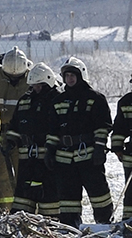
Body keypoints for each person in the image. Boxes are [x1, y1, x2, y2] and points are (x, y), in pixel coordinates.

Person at [50, 56, 113, 227]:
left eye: (73, 75)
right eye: (67, 75)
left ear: (81, 75)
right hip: (64, 157)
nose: (69, 79)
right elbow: (53, 129)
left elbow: (103, 125)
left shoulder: (95, 98)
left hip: (88, 154)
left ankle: (104, 222)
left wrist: (99, 147)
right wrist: (50, 151)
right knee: (67, 195)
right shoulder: (58, 101)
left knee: (98, 192)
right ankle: (70, 226)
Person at [4, 63, 61, 220]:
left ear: (48, 82)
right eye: (34, 85)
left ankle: (51, 223)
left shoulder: (57, 99)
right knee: (23, 192)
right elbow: (15, 124)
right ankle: (21, 221)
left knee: (48, 192)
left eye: (39, 85)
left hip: (48, 155)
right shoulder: (25, 101)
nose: (35, 88)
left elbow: (60, 127)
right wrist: (10, 141)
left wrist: (52, 149)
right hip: (26, 156)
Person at [0, 46, 32, 211]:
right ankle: (0, 211)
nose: (13, 80)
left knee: (25, 173)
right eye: (9, 77)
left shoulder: (32, 79)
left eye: (18, 77)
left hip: (22, 135)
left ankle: (25, 211)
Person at [112, 70, 132, 221]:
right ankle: (128, 221)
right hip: (130, 154)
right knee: (130, 189)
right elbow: (119, 128)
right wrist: (117, 148)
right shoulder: (125, 102)